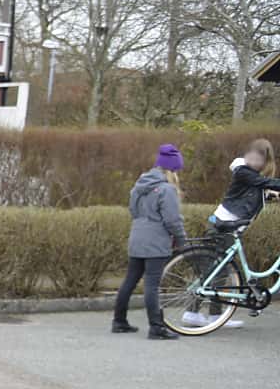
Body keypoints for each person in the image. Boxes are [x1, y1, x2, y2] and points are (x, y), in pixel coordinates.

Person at [181, 139, 279, 330]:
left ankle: (203, 314)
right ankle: (203, 314)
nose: (255, 161)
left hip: (225, 225)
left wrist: (269, 195)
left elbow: (251, 192)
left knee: (215, 269)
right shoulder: (243, 171)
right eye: (253, 157)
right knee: (219, 270)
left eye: (258, 159)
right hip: (225, 226)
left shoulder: (248, 174)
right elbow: (261, 183)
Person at [114, 143, 186, 340]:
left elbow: (133, 210)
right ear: (173, 170)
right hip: (156, 241)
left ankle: (119, 321)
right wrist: (182, 240)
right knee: (152, 286)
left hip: (137, 237)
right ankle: (156, 327)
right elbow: (172, 220)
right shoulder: (167, 189)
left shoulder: (138, 186)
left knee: (130, 280)